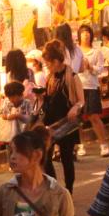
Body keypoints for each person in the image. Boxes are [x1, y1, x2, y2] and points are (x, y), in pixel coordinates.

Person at [39, 40, 85, 192]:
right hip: (52, 122)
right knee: (45, 156)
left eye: (48, 63)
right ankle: (54, 188)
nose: (47, 66)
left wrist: (76, 107)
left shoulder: (72, 76)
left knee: (66, 158)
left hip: (67, 123)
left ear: (56, 61)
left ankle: (68, 191)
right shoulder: (50, 77)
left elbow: (81, 100)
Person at [78, 23, 109, 157]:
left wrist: (90, 67)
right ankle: (80, 144)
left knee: (94, 117)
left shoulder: (97, 51)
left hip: (91, 86)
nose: (85, 35)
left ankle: (103, 144)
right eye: (83, 32)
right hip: (78, 86)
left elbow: (100, 69)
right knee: (78, 119)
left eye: (87, 33)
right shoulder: (76, 51)